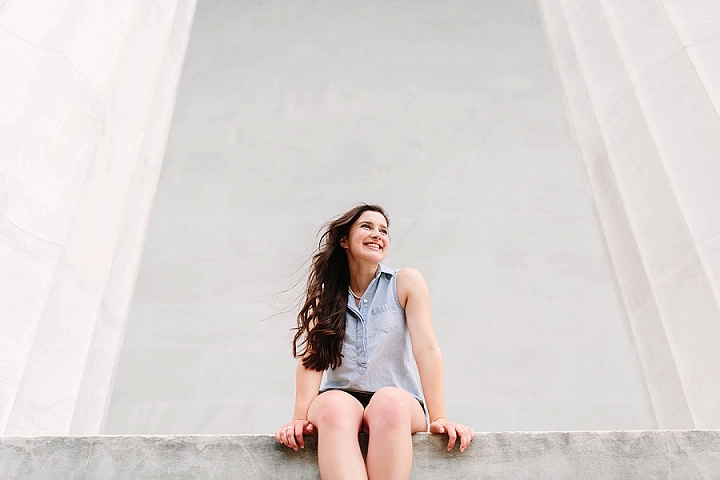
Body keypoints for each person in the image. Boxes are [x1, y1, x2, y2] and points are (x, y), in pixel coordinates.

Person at [275, 204, 474, 480]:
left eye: (384, 230)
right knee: (334, 407)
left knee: (387, 402)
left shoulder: (405, 282)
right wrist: (299, 418)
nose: (377, 234)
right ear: (344, 240)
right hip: (340, 397)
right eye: (367, 227)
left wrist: (439, 417)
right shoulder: (326, 296)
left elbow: (427, 350)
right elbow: (313, 360)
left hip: (400, 401)